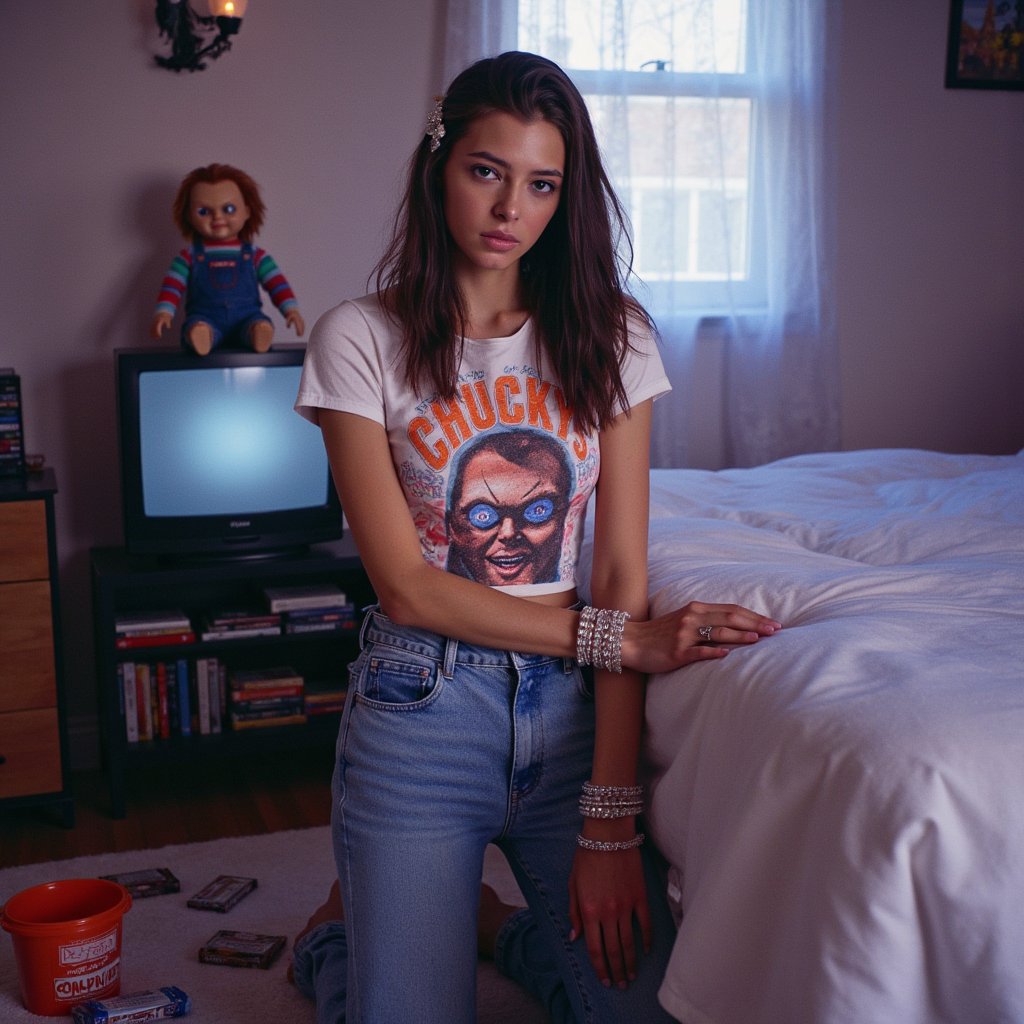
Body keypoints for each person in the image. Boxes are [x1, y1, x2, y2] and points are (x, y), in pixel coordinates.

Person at [293, 51, 781, 1024]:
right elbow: (405, 585)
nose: (510, 207)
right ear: (439, 166)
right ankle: (334, 942)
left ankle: (498, 930)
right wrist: (620, 638)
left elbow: (620, 568)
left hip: (569, 716)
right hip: (419, 706)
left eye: (542, 183)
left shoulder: (612, 335)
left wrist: (609, 819)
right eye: (486, 170)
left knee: (639, 1009)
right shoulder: (358, 337)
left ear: (566, 196)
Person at [150, 163, 305, 355]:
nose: (217, 217)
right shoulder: (189, 256)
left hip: (246, 317)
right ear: (189, 215)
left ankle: (257, 332)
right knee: (197, 326)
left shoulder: (255, 255)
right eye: (203, 212)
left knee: (258, 323)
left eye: (229, 209)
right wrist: (164, 312)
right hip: (205, 317)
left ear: (247, 211)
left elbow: (277, 283)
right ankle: (202, 335)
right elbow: (172, 286)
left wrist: (291, 310)